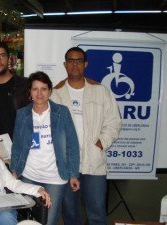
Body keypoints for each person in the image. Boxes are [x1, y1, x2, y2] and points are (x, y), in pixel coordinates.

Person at [51, 47, 121, 225]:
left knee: (97, 212)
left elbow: (113, 122)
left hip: (94, 163)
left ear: (86, 64)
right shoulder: (55, 93)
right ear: (65, 64)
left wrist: (101, 143)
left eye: (79, 60)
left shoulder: (100, 91)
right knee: (70, 212)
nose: (75, 64)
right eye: (71, 60)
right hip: (67, 165)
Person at [11, 71, 80, 225]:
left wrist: (73, 173)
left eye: (43, 88)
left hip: (55, 177)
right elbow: (17, 145)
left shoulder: (62, 112)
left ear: (50, 91)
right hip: (29, 175)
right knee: (30, 219)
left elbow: (72, 144)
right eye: (35, 89)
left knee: (48, 220)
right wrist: (14, 169)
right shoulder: (22, 114)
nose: (39, 93)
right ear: (29, 92)